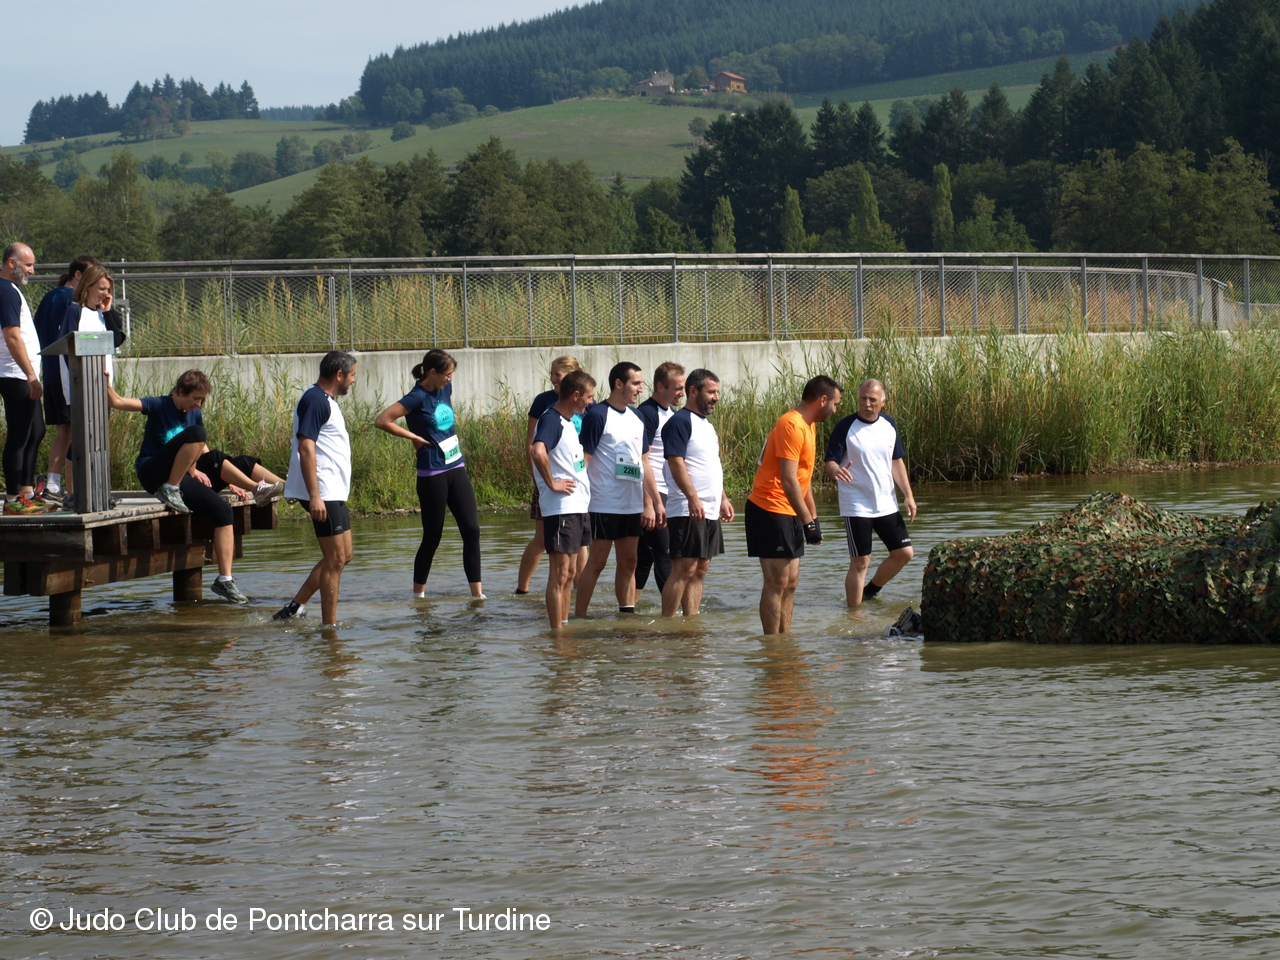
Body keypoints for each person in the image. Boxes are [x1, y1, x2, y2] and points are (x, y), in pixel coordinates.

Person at [106, 370, 280, 604]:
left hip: (183, 474)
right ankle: (171, 488)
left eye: (202, 400)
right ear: (180, 392)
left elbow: (204, 451)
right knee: (198, 433)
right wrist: (105, 382)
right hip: (154, 472)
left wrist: (229, 482)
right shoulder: (159, 404)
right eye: (196, 398)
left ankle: (225, 580)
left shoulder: (194, 413)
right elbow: (118, 402)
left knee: (223, 508)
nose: (199, 404)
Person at [374, 349, 484, 600]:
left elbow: (445, 421)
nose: (450, 378)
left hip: (456, 466)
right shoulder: (416, 397)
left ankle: (477, 596)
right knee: (432, 537)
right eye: (447, 374)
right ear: (432, 372)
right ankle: (419, 597)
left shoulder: (445, 388)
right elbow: (382, 421)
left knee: (472, 530)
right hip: (432, 473)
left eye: (452, 374)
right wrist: (413, 436)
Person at [746, 375, 844, 634]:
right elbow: (788, 480)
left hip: (791, 508)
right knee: (776, 583)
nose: (835, 410)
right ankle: (773, 645)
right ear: (822, 400)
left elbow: (803, 478)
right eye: (834, 404)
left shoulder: (809, 426)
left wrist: (814, 518)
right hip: (769, 507)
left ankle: (785, 639)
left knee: (791, 583)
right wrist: (807, 522)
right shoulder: (791, 424)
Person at [275, 351, 358, 626]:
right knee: (335, 560)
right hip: (323, 492)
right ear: (339, 375)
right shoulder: (314, 400)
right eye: (352, 375)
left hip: (333, 491)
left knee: (344, 555)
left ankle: (294, 608)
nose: (353, 380)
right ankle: (329, 630)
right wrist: (315, 496)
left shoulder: (325, 400)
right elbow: (305, 447)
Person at [823, 378, 918, 607]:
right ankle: (854, 616)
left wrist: (908, 495)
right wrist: (836, 471)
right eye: (863, 399)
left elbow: (896, 461)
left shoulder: (889, 424)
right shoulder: (845, 426)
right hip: (856, 504)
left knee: (904, 553)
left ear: (883, 402)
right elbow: (830, 462)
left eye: (872, 400)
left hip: (886, 502)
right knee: (861, 561)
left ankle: (870, 591)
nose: (866, 404)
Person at [574, 361, 658, 616]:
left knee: (630, 561)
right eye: (636, 383)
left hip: (631, 504)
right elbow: (584, 461)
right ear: (619, 384)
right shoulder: (598, 415)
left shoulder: (638, 417)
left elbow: (644, 462)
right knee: (597, 563)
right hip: (603, 503)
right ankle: (579, 616)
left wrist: (653, 502)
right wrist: (579, 502)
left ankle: (626, 615)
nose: (641, 389)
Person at [660, 368, 734, 618]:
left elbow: (710, 464)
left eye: (717, 392)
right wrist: (692, 498)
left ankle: (691, 624)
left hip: (709, 508)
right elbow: (675, 462)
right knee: (684, 569)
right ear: (693, 391)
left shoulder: (707, 426)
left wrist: (723, 498)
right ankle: (668, 624)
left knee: (700, 569)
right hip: (686, 507)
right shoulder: (680, 422)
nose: (716, 398)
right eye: (711, 392)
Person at [531, 369, 596, 629]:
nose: (591, 402)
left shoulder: (568, 422)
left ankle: (565, 627)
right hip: (561, 508)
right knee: (560, 573)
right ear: (576, 395)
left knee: (570, 572)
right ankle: (556, 634)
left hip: (577, 506)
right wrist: (551, 483)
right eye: (589, 397)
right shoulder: (551, 419)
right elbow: (537, 451)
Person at [516, 355, 587, 594]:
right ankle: (522, 590)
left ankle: (578, 593)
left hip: (577, 481)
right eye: (552, 373)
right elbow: (532, 443)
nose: (553, 378)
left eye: (558, 374)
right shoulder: (544, 402)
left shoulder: (586, 402)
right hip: (550, 478)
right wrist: (540, 479)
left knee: (581, 542)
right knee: (541, 539)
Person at [33, 255, 99, 506]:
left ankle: (54, 483)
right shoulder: (72, 300)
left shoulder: (50, 296)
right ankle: (57, 485)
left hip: (51, 372)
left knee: (66, 429)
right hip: (65, 374)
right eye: (91, 276)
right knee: (70, 429)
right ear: (79, 275)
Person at [0, 242, 46, 515]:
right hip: (15, 374)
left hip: (22, 374)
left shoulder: (11, 289)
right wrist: (30, 374)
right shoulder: (5, 290)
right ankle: (12, 499)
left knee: (36, 431)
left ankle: (27, 492)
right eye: (28, 264)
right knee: (19, 436)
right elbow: (12, 335)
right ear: (11, 263)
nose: (32, 270)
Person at [634, 362, 685, 599]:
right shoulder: (647, 413)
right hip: (654, 494)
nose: (682, 393)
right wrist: (649, 503)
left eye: (683, 387)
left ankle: (628, 611)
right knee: (665, 555)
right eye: (677, 388)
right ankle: (674, 614)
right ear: (660, 387)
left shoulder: (670, 413)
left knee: (644, 557)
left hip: (666, 493)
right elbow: (640, 459)